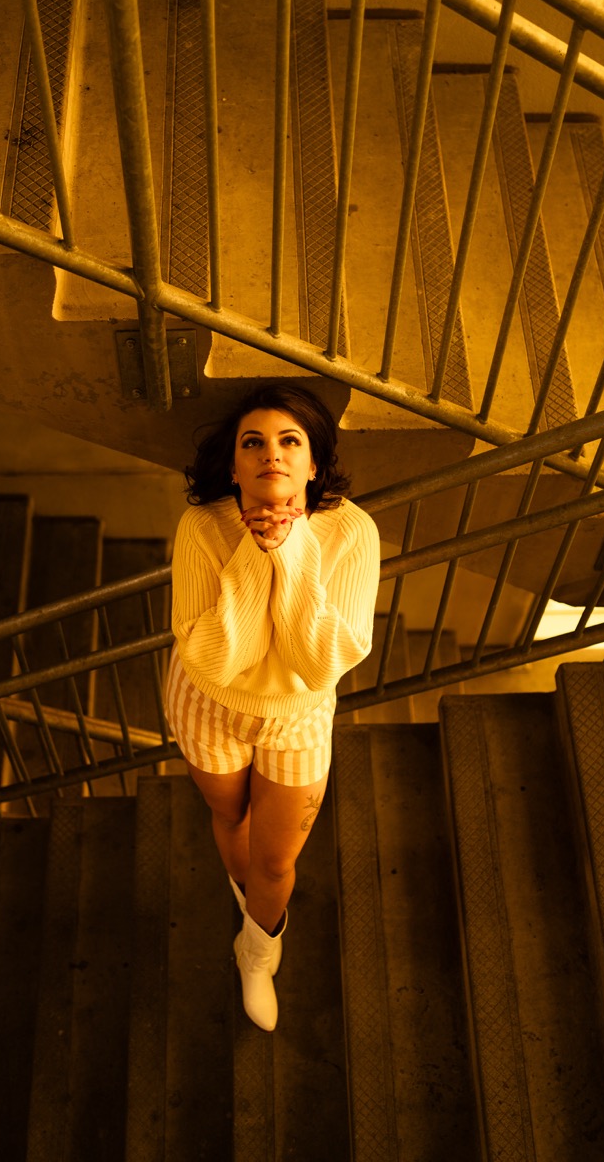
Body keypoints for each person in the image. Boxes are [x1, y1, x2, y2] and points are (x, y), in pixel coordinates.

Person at [165, 383, 381, 1031]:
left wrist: (286, 549)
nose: (272, 455)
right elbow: (210, 656)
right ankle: (247, 901)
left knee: (277, 857)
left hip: (298, 712)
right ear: (232, 466)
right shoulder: (203, 525)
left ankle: (256, 951)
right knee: (229, 815)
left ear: (313, 463)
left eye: (290, 441)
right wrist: (255, 558)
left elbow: (320, 658)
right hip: (208, 702)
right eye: (252, 443)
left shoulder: (349, 531)